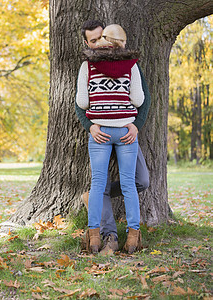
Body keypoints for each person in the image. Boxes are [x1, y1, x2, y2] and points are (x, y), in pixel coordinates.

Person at [76, 23, 148, 254]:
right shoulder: (132, 67)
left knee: (97, 185)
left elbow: (82, 103)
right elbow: (138, 99)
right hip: (126, 131)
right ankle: (133, 239)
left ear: (105, 41)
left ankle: (95, 238)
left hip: (100, 132)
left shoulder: (88, 65)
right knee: (129, 185)